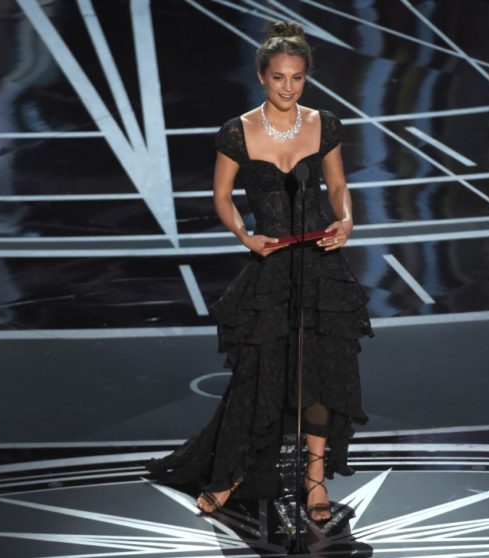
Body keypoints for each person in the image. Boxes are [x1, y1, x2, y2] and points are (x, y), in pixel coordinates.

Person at [145, 21, 372, 523]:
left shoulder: (325, 124)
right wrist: (245, 235)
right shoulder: (238, 131)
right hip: (271, 266)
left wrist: (347, 220)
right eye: (278, 77)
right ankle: (233, 472)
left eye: (297, 78)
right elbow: (221, 195)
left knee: (321, 374)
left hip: (322, 263)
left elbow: (338, 185)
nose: (288, 87)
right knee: (261, 375)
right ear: (261, 77)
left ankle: (315, 483)